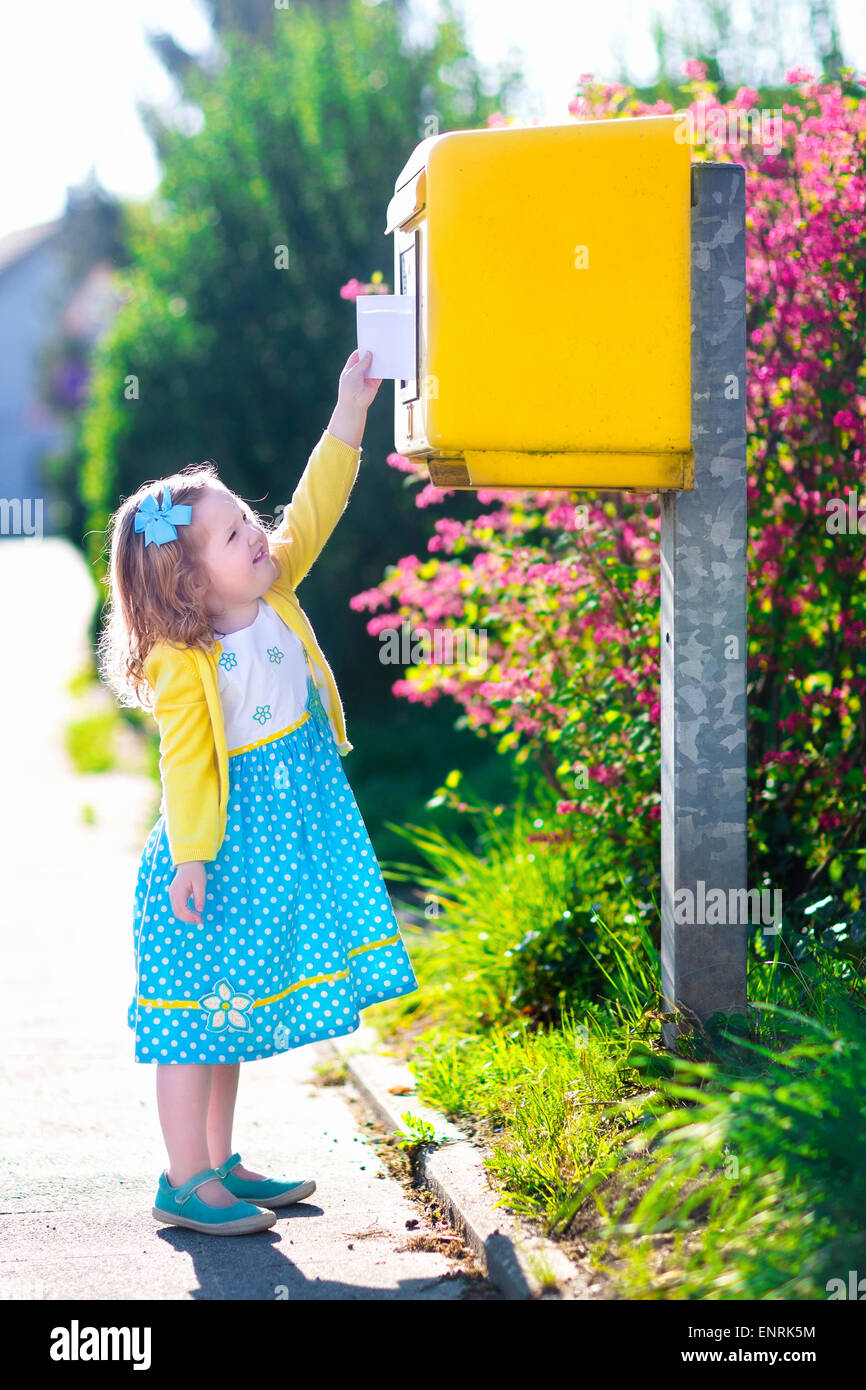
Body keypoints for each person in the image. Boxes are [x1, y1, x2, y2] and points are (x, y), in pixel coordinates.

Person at [99, 349, 419, 1235]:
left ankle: (220, 1165)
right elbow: (187, 768)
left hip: (275, 841)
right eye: (237, 534)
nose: (259, 536)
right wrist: (193, 857)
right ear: (190, 582)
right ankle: (182, 1180)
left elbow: (313, 506)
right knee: (191, 1023)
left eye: (249, 521)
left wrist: (348, 411)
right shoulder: (183, 661)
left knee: (228, 1016)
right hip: (212, 861)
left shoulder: (271, 590)